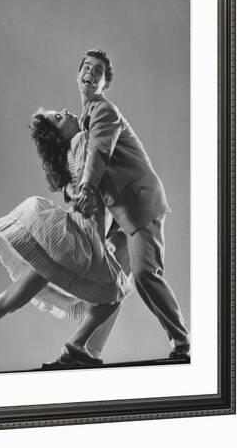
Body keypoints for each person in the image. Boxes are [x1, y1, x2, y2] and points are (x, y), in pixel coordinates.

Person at [0, 108, 132, 376]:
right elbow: (98, 181)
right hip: (81, 241)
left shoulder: (70, 157)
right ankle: (77, 347)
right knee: (115, 293)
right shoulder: (82, 141)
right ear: (59, 136)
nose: (65, 112)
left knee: (11, 298)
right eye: (59, 117)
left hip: (65, 240)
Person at [73, 48, 190, 360]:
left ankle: (182, 342)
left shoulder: (103, 111)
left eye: (98, 71)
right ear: (77, 75)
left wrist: (85, 185)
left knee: (144, 274)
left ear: (104, 84)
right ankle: (88, 351)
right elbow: (97, 190)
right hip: (123, 217)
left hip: (140, 206)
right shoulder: (87, 120)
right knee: (108, 282)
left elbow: (100, 152)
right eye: (86, 67)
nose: (90, 73)